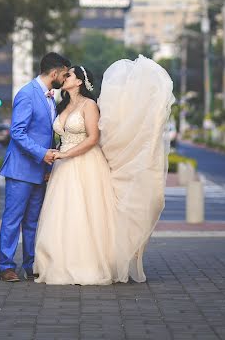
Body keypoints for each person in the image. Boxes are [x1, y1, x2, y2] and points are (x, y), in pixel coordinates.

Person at [34, 56, 175, 285]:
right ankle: (58, 261)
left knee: (85, 213)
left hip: (85, 163)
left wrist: (66, 154)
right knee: (62, 213)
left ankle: (86, 263)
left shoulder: (89, 106)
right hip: (62, 166)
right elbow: (60, 136)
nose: (64, 77)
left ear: (79, 81)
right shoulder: (60, 105)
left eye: (69, 74)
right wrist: (57, 156)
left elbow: (93, 138)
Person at [0, 52, 70, 282]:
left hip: (40, 170)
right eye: (65, 74)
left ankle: (31, 264)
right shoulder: (27, 94)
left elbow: (46, 133)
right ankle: (6, 266)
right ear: (55, 73)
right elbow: (17, 132)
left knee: (33, 221)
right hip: (20, 169)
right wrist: (42, 154)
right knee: (13, 219)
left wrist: (47, 165)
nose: (66, 78)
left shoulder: (50, 97)